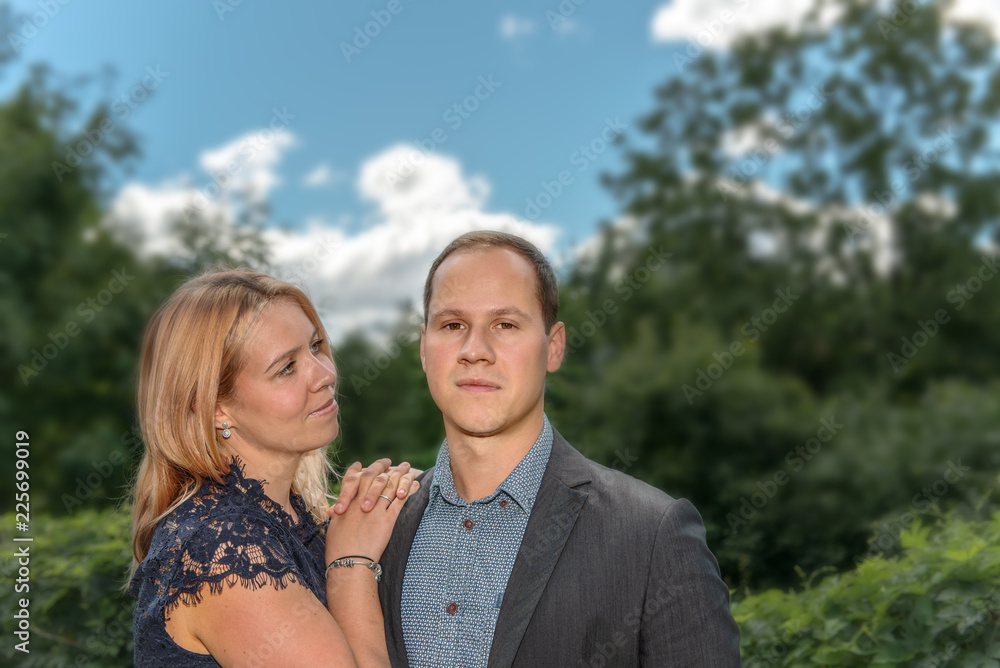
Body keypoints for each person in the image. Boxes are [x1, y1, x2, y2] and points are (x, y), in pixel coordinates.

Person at [376, 231, 742, 666]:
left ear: (554, 347)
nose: (475, 351)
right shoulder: (376, 529)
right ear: (423, 348)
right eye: (452, 325)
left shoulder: (654, 535)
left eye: (505, 325)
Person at [129, 268, 421, 667]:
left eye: (316, 347)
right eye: (286, 368)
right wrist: (350, 566)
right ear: (216, 409)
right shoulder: (223, 549)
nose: (327, 374)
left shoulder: (285, 517)